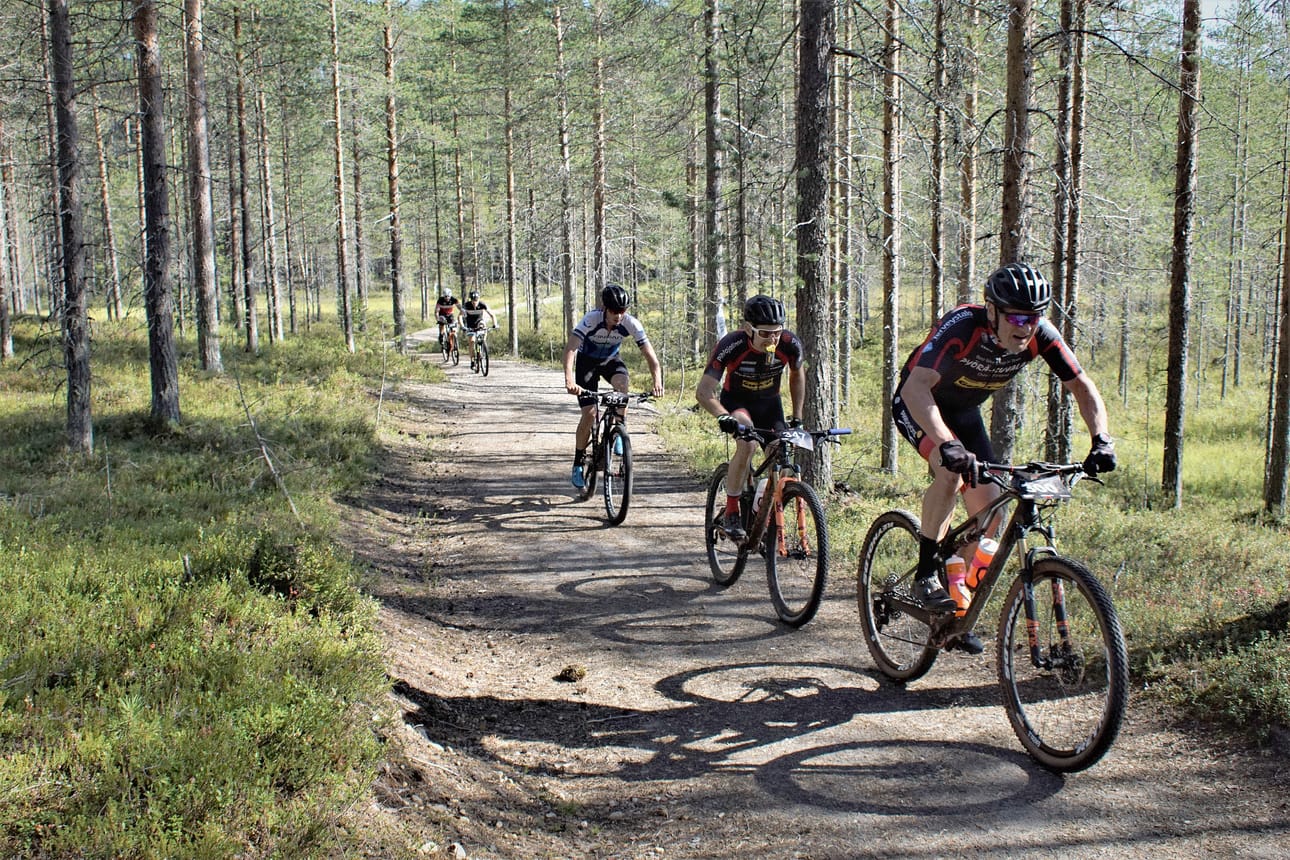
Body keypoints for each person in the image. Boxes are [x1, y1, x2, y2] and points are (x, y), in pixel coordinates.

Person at [892, 261, 1117, 654]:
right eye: (1014, 315)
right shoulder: (962, 326)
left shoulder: (1039, 336)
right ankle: (925, 571)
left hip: (964, 413)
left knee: (991, 515)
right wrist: (946, 443)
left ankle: (955, 604)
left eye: (1033, 316)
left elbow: (1081, 385)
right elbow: (915, 387)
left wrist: (1102, 439)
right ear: (992, 310)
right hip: (919, 405)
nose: (1025, 326)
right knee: (949, 475)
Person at [695, 294, 806, 542]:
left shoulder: (789, 343)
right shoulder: (732, 344)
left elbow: (797, 375)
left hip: (769, 404)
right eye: (765, 334)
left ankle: (760, 509)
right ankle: (732, 509)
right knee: (747, 443)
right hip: (736, 402)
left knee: (781, 452)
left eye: (776, 332)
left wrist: (797, 417)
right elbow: (703, 392)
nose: (773, 339)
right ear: (748, 329)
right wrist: (723, 417)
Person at [562, 284, 665, 489]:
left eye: (623, 311)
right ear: (605, 309)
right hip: (587, 363)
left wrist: (657, 381)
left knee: (622, 384)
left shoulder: (631, 323)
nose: (619, 316)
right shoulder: (591, 319)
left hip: (610, 360)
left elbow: (650, 356)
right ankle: (578, 463)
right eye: (615, 311)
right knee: (590, 413)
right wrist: (569, 379)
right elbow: (571, 348)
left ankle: (619, 426)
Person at [459, 290, 497, 369]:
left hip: (479, 322)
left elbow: (492, 314)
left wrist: (495, 324)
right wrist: (462, 326)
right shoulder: (466, 305)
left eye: (476, 301)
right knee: (472, 341)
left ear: (478, 299)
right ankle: (472, 360)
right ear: (471, 300)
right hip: (470, 324)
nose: (474, 303)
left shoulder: (482, 304)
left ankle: (483, 345)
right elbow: (459, 316)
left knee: (483, 327)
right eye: (473, 301)